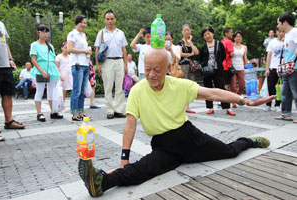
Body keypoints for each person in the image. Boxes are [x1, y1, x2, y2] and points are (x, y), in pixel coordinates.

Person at [78, 48, 275, 197]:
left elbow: (213, 92)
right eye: (147, 70)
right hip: (163, 144)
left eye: (157, 70)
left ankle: (250, 141)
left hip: (188, 137)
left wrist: (244, 100)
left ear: (168, 69)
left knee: (229, 151)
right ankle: (101, 182)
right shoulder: (138, 91)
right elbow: (130, 125)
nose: (151, 75)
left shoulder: (179, 85)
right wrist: (123, 160)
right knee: (141, 169)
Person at [0, 0, 25, 140]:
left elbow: (4, 43)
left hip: (4, 65)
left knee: (7, 93)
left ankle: (9, 121)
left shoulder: (0, 24)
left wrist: (10, 59)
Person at [94, 10, 128, 119]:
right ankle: (109, 110)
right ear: (104, 20)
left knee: (119, 87)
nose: (110, 21)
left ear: (115, 20)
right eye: (107, 19)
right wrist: (98, 64)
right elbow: (97, 49)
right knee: (108, 87)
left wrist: (125, 64)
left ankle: (118, 110)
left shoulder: (120, 33)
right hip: (107, 61)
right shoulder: (101, 33)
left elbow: (124, 50)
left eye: (111, 19)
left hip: (119, 61)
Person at [199, 26, 235, 116]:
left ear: (212, 33)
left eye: (209, 33)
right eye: (205, 35)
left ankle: (227, 107)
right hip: (207, 71)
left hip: (218, 70)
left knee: (221, 88)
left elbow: (223, 56)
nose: (207, 36)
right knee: (208, 89)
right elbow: (200, 58)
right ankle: (210, 108)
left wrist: (217, 64)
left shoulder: (219, 44)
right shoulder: (203, 47)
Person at [30, 24, 63, 122]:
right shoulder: (34, 45)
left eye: (46, 32)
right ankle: (39, 113)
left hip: (51, 70)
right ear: (38, 32)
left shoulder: (50, 46)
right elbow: (33, 59)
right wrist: (41, 71)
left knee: (51, 92)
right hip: (41, 70)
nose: (45, 34)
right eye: (43, 32)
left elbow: (53, 59)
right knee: (39, 91)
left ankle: (53, 111)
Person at [67, 15, 92, 121]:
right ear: (77, 23)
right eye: (82, 22)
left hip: (85, 64)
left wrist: (88, 52)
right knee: (76, 90)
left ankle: (81, 113)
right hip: (77, 65)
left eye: (85, 23)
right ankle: (74, 114)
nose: (83, 25)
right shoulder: (72, 34)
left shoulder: (83, 35)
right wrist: (84, 51)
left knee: (82, 91)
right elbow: (69, 49)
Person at [275, 12, 297, 123]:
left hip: (295, 68)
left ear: (285, 22)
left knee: (295, 92)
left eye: (279, 23)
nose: (278, 26)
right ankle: (285, 113)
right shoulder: (287, 34)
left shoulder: (294, 32)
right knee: (285, 92)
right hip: (287, 68)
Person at [177, 24, 199, 114]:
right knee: (183, 86)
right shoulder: (180, 43)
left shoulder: (191, 43)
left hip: (191, 66)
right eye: (185, 30)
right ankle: (184, 106)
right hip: (183, 66)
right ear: (182, 31)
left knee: (190, 86)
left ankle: (187, 106)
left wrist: (190, 42)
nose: (187, 32)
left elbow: (196, 52)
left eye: (188, 30)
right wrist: (190, 54)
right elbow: (180, 53)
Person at [264, 27, 284, 112]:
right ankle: (268, 104)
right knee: (270, 87)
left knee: (279, 88)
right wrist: (267, 68)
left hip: (282, 68)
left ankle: (277, 104)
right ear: (276, 32)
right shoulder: (272, 42)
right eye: (279, 31)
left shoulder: (286, 43)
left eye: (283, 32)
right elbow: (269, 56)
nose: (281, 33)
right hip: (273, 67)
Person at [230, 31, 248, 108]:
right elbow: (229, 56)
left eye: (240, 36)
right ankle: (233, 101)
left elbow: (245, 58)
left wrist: (245, 66)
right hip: (232, 68)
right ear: (234, 37)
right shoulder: (231, 45)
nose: (238, 38)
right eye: (237, 36)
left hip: (241, 67)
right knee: (233, 85)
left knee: (242, 85)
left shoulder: (244, 47)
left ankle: (236, 97)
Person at [55, 41, 72, 112]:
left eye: (68, 48)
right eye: (65, 47)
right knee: (62, 92)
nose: (67, 49)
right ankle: (61, 105)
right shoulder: (58, 57)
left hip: (69, 75)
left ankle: (72, 106)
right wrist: (60, 75)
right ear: (62, 48)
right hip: (62, 75)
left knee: (70, 90)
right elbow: (57, 66)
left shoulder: (71, 57)